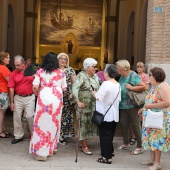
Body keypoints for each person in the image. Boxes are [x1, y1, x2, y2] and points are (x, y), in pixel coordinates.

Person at [29, 52, 67, 161]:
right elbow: (64, 88)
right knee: (54, 123)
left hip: (43, 98)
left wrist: (39, 94)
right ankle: (51, 149)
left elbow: (35, 87)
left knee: (41, 124)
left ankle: (41, 153)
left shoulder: (40, 72)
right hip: (56, 99)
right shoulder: (61, 72)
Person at [138, 67, 170, 170]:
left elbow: (167, 102)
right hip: (152, 118)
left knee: (157, 140)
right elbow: (150, 101)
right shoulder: (154, 86)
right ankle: (151, 160)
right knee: (151, 138)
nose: (148, 77)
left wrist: (150, 106)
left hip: (159, 119)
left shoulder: (162, 86)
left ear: (156, 76)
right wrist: (143, 109)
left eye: (150, 75)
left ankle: (157, 164)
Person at [91, 64, 121, 164]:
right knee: (110, 135)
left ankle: (106, 157)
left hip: (105, 114)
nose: (103, 72)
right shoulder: (117, 84)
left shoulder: (106, 84)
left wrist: (93, 93)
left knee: (105, 136)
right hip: (114, 114)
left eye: (104, 71)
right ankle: (110, 152)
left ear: (107, 73)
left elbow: (99, 97)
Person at [115, 59, 145, 155]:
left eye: (118, 67)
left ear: (123, 68)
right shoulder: (122, 77)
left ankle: (140, 146)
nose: (116, 69)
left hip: (132, 104)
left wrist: (132, 88)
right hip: (123, 105)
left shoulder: (133, 75)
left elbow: (143, 86)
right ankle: (126, 143)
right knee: (124, 124)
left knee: (135, 125)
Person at [72, 58, 100, 155]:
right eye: (94, 66)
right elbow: (75, 88)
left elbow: (101, 86)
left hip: (93, 105)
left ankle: (84, 142)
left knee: (89, 124)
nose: (96, 68)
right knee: (83, 124)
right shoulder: (81, 76)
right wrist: (77, 101)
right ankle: (84, 146)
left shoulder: (95, 77)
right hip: (83, 105)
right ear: (88, 67)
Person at [8, 55, 35, 144]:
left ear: (24, 64)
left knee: (30, 116)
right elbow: (11, 88)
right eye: (15, 65)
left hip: (30, 97)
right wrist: (11, 102)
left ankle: (34, 135)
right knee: (16, 117)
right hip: (18, 98)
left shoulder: (31, 70)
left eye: (18, 65)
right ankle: (18, 135)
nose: (16, 67)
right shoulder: (13, 73)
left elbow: (38, 82)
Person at [129, 62, 150, 145]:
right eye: (137, 66)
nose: (139, 68)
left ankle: (141, 137)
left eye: (141, 66)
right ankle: (133, 136)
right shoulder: (133, 75)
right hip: (133, 99)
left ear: (144, 68)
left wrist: (133, 88)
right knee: (132, 118)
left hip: (141, 99)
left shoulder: (146, 76)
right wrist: (138, 88)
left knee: (141, 119)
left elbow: (146, 88)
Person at [57, 53, 76, 145]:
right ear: (58, 60)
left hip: (67, 95)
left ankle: (62, 135)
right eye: (61, 58)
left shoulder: (70, 69)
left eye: (65, 59)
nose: (63, 60)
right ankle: (55, 134)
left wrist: (72, 93)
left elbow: (74, 83)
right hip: (56, 95)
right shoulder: (54, 70)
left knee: (64, 116)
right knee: (56, 115)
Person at [0, 52, 11, 138]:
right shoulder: (3, 68)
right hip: (2, 92)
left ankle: (3, 129)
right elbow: (9, 81)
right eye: (7, 57)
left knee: (2, 112)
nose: (9, 59)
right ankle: (0, 131)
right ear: (2, 59)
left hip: (2, 91)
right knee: (2, 113)